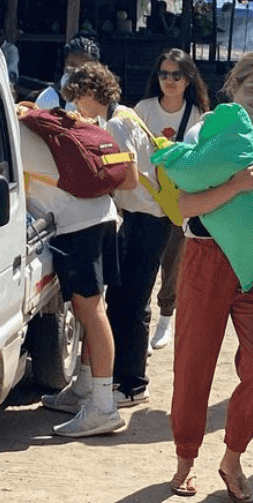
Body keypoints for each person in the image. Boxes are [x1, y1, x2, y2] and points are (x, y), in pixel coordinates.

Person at [167, 51, 253, 503]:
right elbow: (183, 206)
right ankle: (185, 458)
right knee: (193, 363)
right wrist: (237, 185)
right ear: (233, 88)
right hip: (205, 257)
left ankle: (233, 456)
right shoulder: (204, 133)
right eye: (252, 89)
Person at [26, 61, 137, 438]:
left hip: (79, 226)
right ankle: (86, 390)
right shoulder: (86, 124)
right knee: (93, 309)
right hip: (103, 216)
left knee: (90, 312)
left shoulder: (26, 127)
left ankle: (103, 408)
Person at [133, 48, 211, 350]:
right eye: (163, 74)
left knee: (174, 261)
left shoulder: (197, 116)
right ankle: (146, 319)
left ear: (188, 79)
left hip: (182, 199)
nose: (169, 80)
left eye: (176, 75)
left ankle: (166, 319)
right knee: (144, 262)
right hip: (146, 198)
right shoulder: (143, 108)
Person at [104, 73, 173, 410]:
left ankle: (133, 383)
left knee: (132, 302)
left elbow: (128, 180)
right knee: (121, 299)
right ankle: (121, 377)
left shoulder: (116, 125)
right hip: (143, 217)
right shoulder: (130, 115)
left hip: (146, 218)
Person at [35, 35, 102, 111]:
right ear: (66, 64)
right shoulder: (49, 97)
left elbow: (117, 114)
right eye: (73, 65)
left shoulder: (102, 97)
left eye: (85, 66)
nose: (78, 70)